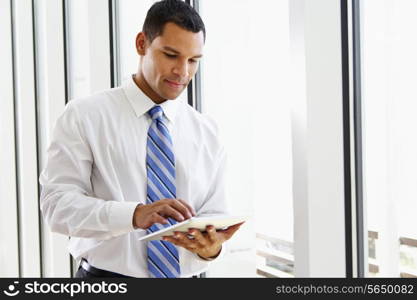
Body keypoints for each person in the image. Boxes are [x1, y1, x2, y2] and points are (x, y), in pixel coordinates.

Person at [39, 0, 243, 278]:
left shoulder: (206, 131)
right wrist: (135, 215)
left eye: (193, 60)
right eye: (171, 55)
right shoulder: (85, 115)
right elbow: (57, 206)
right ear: (141, 44)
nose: (183, 72)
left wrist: (210, 248)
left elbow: (215, 215)